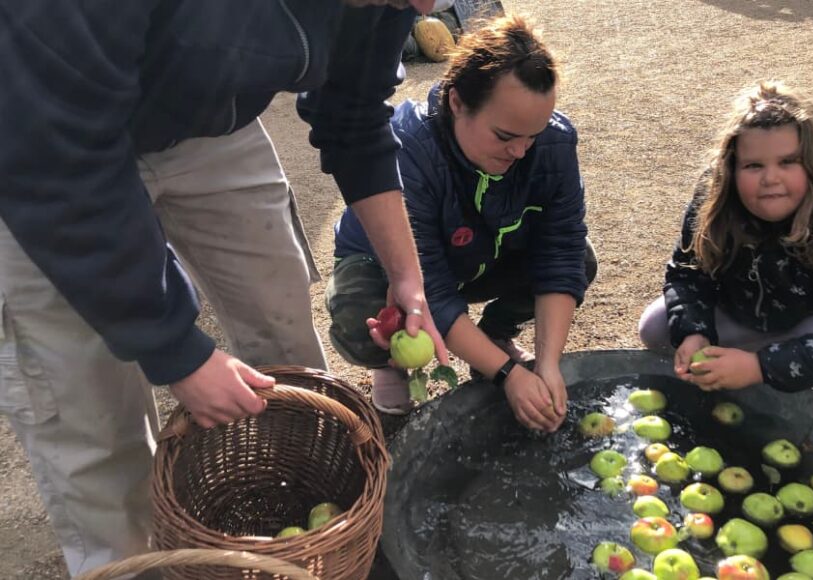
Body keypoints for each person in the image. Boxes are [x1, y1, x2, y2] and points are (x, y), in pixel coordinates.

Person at [0, 0, 447, 575]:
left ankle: (299, 530)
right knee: (93, 421)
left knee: (286, 343)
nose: (425, 6)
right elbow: (53, 151)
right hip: (39, 133)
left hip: (208, 121)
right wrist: (176, 351)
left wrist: (406, 276)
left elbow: (353, 114)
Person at [327, 15, 596, 432]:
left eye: (533, 135)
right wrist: (508, 375)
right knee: (358, 310)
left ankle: (495, 336)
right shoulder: (408, 150)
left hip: (476, 256)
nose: (521, 151)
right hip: (390, 268)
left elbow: (561, 251)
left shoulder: (556, 142)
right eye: (505, 136)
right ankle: (390, 363)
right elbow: (428, 289)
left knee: (580, 259)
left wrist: (547, 365)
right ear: (456, 103)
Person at [637, 81, 813, 417]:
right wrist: (694, 332)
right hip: (738, 316)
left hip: (808, 326)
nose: (770, 178)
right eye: (753, 166)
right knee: (656, 326)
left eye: (788, 162)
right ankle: (724, 374)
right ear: (731, 167)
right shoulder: (714, 194)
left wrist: (760, 367)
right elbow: (687, 274)